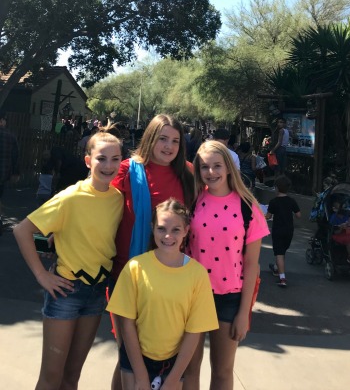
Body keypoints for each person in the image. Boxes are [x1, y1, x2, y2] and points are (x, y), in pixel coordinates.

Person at [13, 126, 124, 390]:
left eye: (115, 159)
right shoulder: (71, 196)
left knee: (72, 376)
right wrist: (42, 275)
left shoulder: (118, 199)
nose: (108, 165)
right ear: (88, 160)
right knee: (51, 378)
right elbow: (23, 230)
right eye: (101, 158)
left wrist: (54, 238)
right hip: (66, 292)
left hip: (97, 293)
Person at [110, 113, 194, 390]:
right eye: (162, 139)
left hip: (171, 279)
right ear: (150, 139)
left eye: (175, 141)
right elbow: (98, 204)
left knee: (161, 356)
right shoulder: (126, 170)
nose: (169, 146)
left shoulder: (188, 174)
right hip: (128, 273)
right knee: (127, 355)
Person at [107, 199, 218, 390]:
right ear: (152, 228)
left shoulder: (197, 274)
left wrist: (173, 379)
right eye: (161, 228)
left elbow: (194, 332)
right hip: (135, 360)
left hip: (173, 364)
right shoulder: (135, 267)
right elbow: (127, 324)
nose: (168, 235)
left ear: (186, 230)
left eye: (176, 229)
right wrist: (141, 376)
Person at [185, 141, 269, 390]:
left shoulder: (248, 208)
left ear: (229, 167)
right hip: (192, 296)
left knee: (222, 372)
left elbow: (252, 265)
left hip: (230, 300)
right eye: (204, 167)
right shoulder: (192, 202)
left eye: (217, 166)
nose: (211, 173)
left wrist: (244, 313)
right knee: (189, 368)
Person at [266, 175, 301, 287]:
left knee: (279, 253)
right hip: (289, 230)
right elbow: (298, 215)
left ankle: (282, 278)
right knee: (283, 250)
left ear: (276, 188)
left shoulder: (273, 202)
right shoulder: (291, 201)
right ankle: (276, 268)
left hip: (278, 229)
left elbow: (268, 216)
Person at [0, 110, 20, 234]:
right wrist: (15, 172)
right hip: (3, 172)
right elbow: (15, 156)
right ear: (2, 120)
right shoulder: (11, 136)